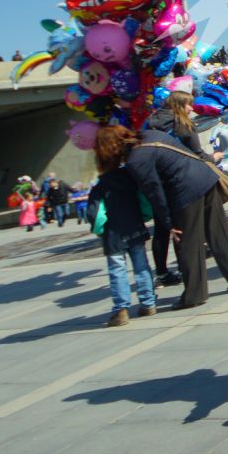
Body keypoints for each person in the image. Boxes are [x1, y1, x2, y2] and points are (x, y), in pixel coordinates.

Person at [124, 102, 228, 309]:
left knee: (188, 242)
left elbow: (155, 192)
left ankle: (195, 294)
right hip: (205, 178)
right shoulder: (149, 136)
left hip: (184, 189)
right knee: (218, 231)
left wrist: (168, 222)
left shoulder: (136, 158)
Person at [89, 126, 158, 326]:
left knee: (117, 269)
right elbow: (144, 201)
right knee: (141, 265)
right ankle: (148, 303)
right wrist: (144, 216)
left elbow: (96, 215)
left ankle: (121, 309)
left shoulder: (100, 185)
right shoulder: (131, 177)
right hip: (135, 225)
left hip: (113, 233)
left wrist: (99, 230)